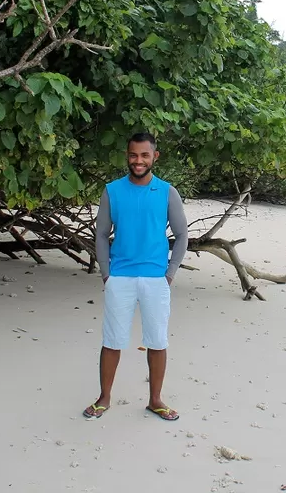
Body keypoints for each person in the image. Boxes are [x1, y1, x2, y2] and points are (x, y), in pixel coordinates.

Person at [83, 132, 189, 422]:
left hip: (156, 279)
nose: (138, 161)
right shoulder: (112, 191)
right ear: (127, 156)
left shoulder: (167, 192)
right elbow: (101, 234)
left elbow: (182, 236)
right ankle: (104, 397)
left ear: (155, 157)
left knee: (157, 340)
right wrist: (106, 273)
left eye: (144, 155)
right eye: (133, 155)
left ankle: (155, 400)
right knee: (112, 340)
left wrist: (169, 274)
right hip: (120, 277)